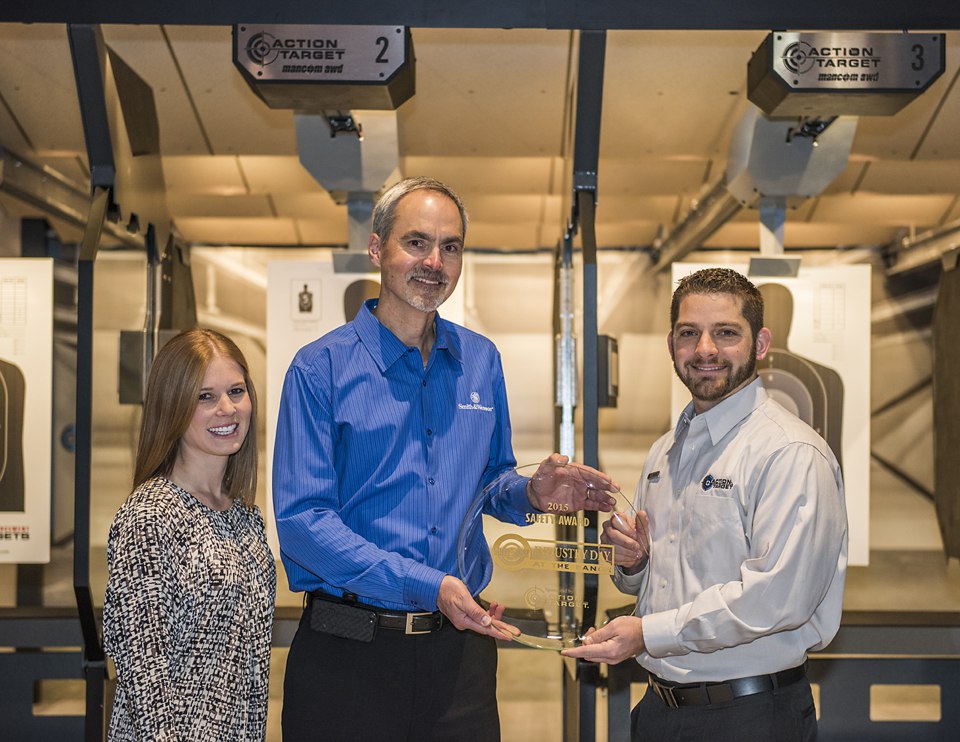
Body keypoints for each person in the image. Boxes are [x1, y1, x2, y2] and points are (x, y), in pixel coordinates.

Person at [273, 176, 617, 742]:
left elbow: (490, 477)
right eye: (416, 243)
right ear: (377, 248)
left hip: (459, 661)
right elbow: (304, 525)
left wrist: (529, 491)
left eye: (450, 246)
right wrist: (427, 584)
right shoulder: (320, 370)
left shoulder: (480, 360)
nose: (435, 261)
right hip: (347, 658)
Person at [563, 267, 848, 741]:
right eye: (689, 333)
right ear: (670, 343)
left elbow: (775, 598)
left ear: (760, 344)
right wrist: (634, 563)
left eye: (726, 333)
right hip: (661, 710)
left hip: (750, 716)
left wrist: (646, 634)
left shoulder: (790, 454)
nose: (705, 350)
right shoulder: (665, 452)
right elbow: (659, 581)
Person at [103, 329, 276, 741]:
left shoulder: (246, 520)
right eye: (205, 396)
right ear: (172, 406)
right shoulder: (149, 516)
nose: (227, 408)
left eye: (236, 391)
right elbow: (146, 680)